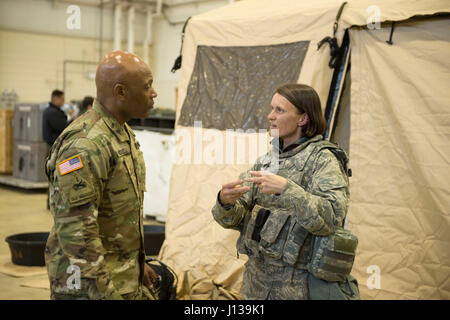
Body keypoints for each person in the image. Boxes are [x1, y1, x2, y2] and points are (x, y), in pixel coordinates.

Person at [212, 83, 358, 300]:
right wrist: (225, 202)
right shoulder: (267, 161)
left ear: (303, 119)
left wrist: (286, 190)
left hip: (298, 287)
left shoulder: (323, 159)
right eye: (272, 108)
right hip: (256, 284)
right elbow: (233, 219)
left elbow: (331, 218)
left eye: (279, 110)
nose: (270, 116)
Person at [45, 51, 159, 300]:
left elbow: (118, 216)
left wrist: (138, 264)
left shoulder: (120, 131)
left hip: (120, 276)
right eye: (147, 86)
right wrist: (105, 292)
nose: (154, 93)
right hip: (88, 286)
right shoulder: (86, 144)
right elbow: (77, 234)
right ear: (120, 92)